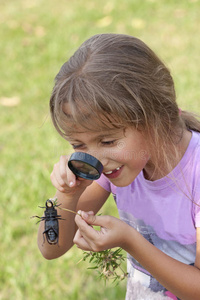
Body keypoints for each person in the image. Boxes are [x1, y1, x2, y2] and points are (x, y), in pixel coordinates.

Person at [37, 33, 200, 300]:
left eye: (108, 140)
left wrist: (131, 241)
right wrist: (68, 194)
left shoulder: (196, 173)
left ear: (155, 118)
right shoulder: (115, 166)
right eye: (79, 145)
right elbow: (51, 248)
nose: (95, 159)